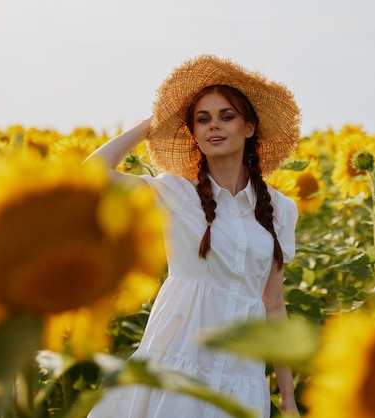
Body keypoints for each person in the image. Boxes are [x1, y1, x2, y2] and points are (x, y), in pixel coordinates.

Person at [86, 55, 302, 418]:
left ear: (249, 127)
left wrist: (288, 399)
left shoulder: (280, 209)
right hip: (177, 369)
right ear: (195, 136)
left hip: (241, 379)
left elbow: (274, 305)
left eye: (226, 116)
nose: (213, 126)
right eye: (203, 120)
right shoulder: (175, 194)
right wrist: (147, 125)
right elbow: (90, 175)